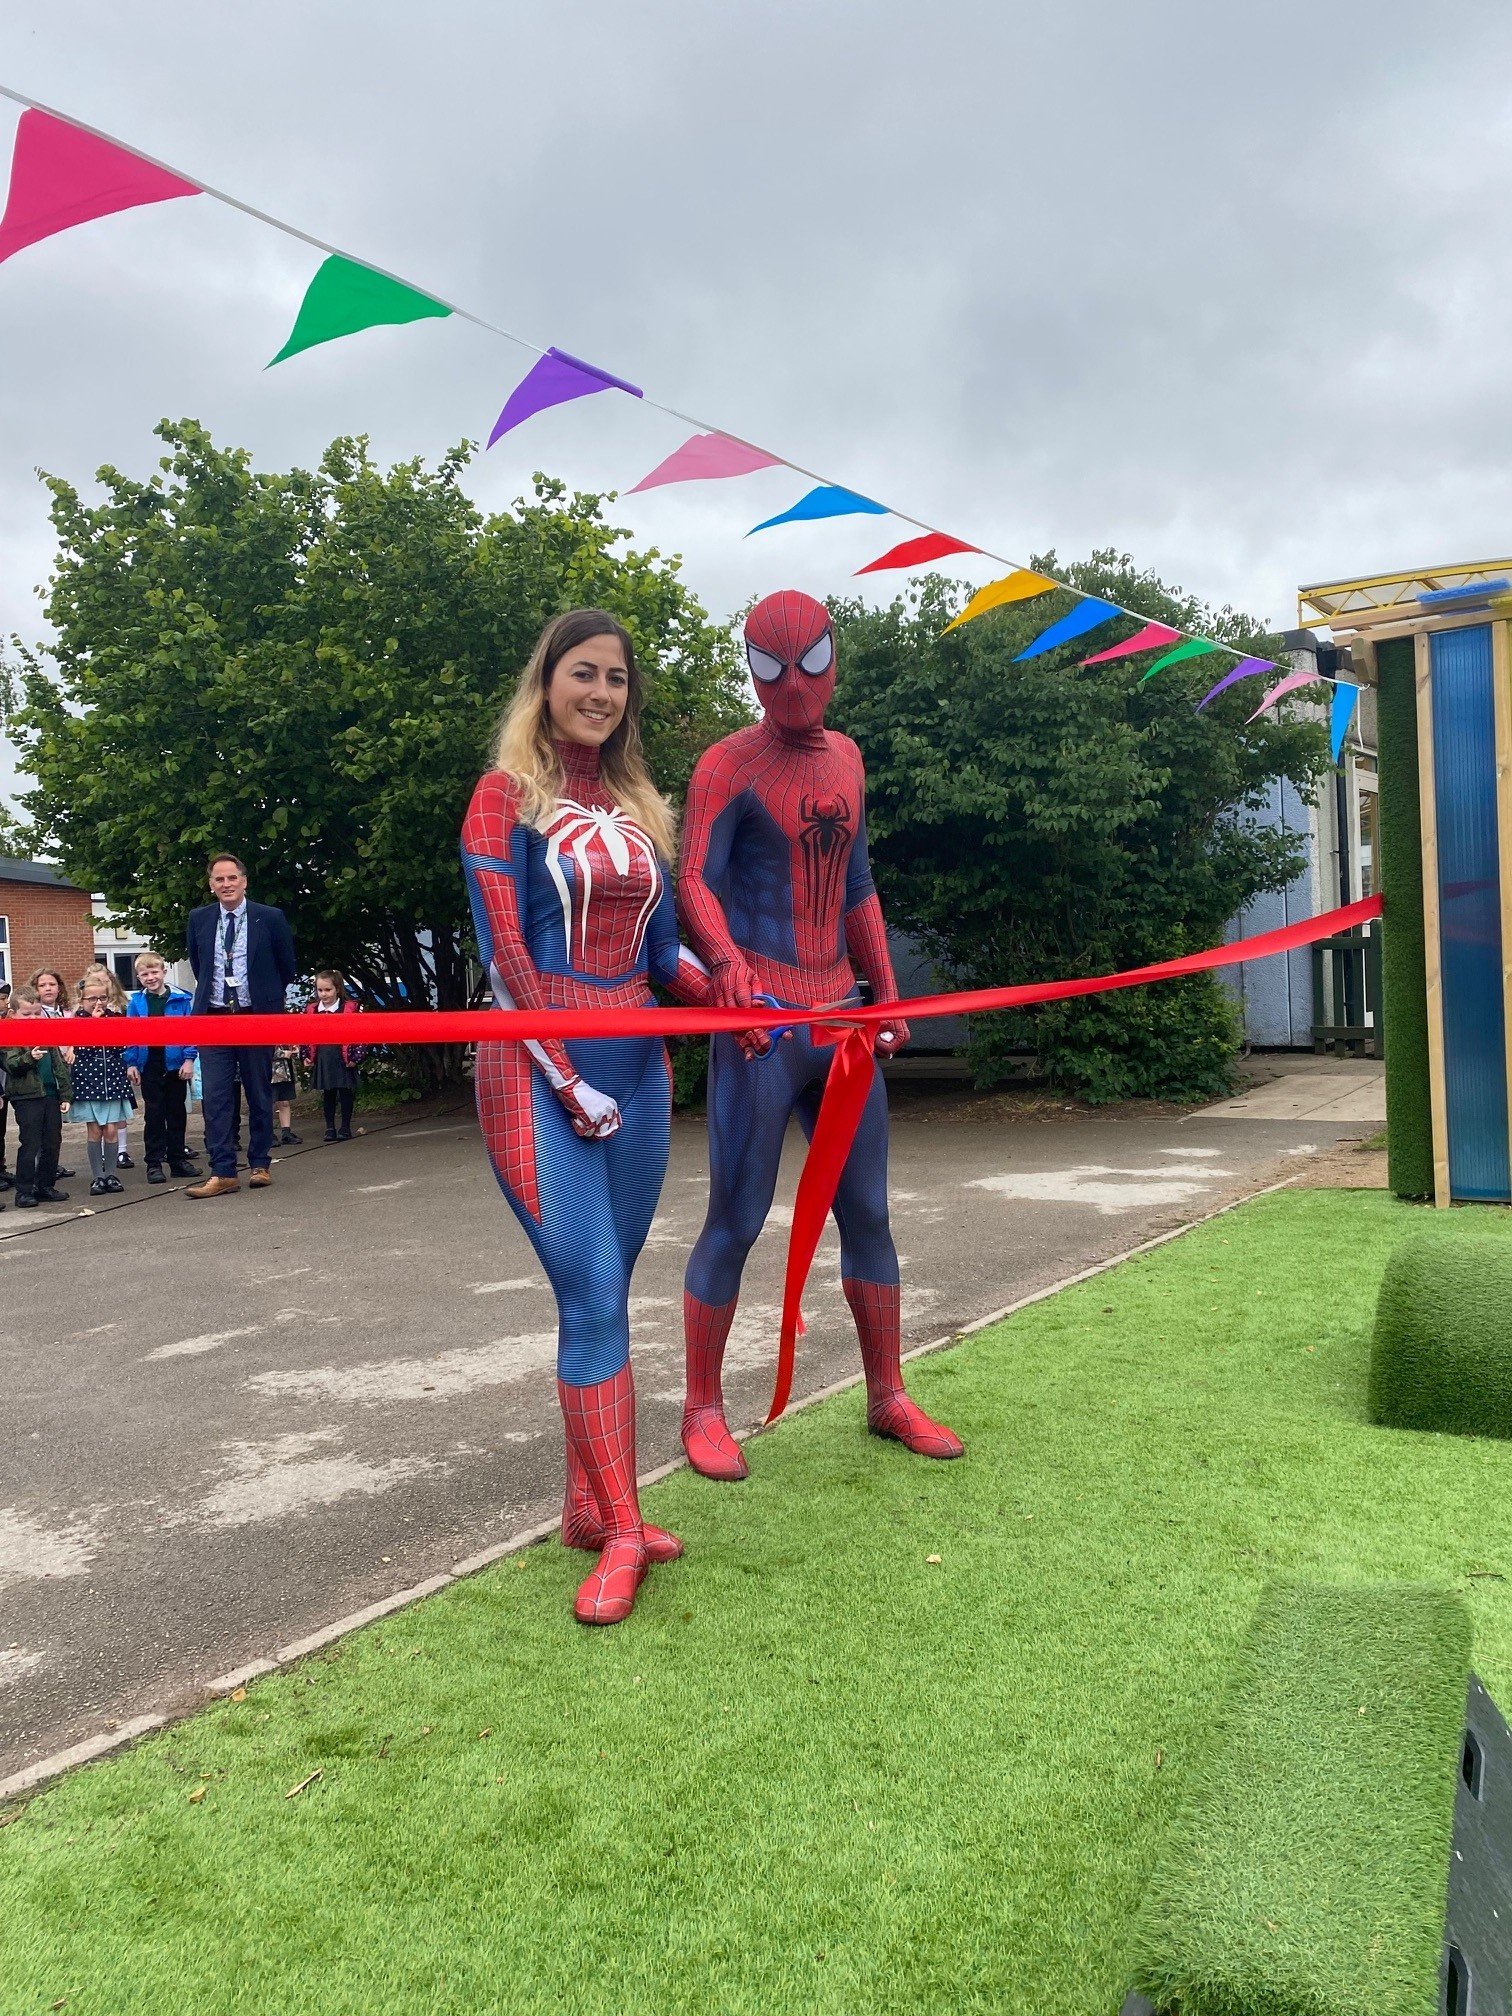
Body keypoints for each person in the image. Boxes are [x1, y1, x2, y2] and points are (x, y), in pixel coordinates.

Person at [461, 608, 721, 1626]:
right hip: (535, 1069)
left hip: (639, 1069)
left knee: (604, 1296)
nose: (601, 693)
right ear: (547, 681)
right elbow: (505, 958)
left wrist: (737, 1003)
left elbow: (664, 960)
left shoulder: (642, 807)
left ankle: (587, 1509)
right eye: (584, 673)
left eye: (617, 678)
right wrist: (566, 1079)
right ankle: (622, 1531)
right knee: (597, 1289)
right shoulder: (504, 797)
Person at [676, 588, 963, 1479]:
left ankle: (887, 1393)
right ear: (751, 668)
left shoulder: (847, 758)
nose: (794, 686)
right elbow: (694, 880)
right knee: (737, 1216)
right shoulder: (726, 765)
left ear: (835, 657)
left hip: (839, 1017)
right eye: (772, 668)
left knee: (868, 1210)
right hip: (763, 1024)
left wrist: (887, 993)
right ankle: (701, 1407)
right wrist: (726, 965)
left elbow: (858, 886)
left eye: (809, 663)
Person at [184, 854, 298, 1199]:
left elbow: (287, 966)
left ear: (244, 881)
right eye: (219, 879)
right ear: (211, 885)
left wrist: (265, 1000)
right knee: (216, 1097)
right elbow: (198, 963)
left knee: (259, 1091)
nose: (226, 884)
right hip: (213, 1017)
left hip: (255, 1016)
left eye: (232, 878)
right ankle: (223, 1171)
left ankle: (260, 1163)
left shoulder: (270, 917)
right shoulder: (200, 918)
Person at [124, 951, 201, 1183]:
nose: (150, 977)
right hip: (150, 1063)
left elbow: (190, 1032)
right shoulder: (136, 1003)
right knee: (154, 1115)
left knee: (177, 1114)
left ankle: (177, 1160)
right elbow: (131, 1034)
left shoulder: (181, 999)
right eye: (144, 974)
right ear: (139, 977)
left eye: (154, 972)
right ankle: (154, 1163)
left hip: (176, 1063)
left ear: (164, 972)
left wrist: (189, 1059)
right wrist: (131, 1062)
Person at [2, 984, 72, 1207]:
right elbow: (11, 1065)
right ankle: (23, 1191)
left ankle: (45, 1186)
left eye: (36, 1012)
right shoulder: (9, 1033)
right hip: (26, 1096)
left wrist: (65, 1094)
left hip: (50, 1094)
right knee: (30, 1144)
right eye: (26, 1014)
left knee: (52, 1142)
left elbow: (58, 1065)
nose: (33, 1018)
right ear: (13, 1013)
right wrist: (29, 1057)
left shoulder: (45, 1030)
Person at [70, 965, 133, 1195]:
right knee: (95, 1130)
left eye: (102, 998)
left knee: (112, 1130)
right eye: (92, 999)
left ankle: (112, 1175)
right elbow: (82, 1050)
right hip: (88, 1081)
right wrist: (94, 1024)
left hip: (113, 1079)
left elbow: (120, 1047)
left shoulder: (115, 1018)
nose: (98, 1003)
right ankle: (97, 1177)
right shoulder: (76, 1021)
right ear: (82, 1000)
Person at [300, 970, 363, 1140]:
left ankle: (345, 1127)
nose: (323, 994)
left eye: (328, 990)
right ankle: (329, 1128)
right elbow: (305, 1033)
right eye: (320, 990)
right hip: (323, 1055)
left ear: (337, 989)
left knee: (345, 1091)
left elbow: (360, 1033)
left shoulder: (349, 1009)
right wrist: (306, 1055)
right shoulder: (312, 1010)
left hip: (343, 1055)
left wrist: (355, 1057)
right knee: (328, 1093)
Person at [29, 968, 76, 1179]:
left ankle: (51, 1164)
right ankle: (42, 1168)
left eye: (52, 984)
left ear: (59, 987)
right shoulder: (35, 1014)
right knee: (41, 1126)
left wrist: (73, 1047)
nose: (48, 988)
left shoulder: (67, 1012)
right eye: (42, 985)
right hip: (44, 1072)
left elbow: (75, 1035)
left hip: (65, 1068)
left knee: (55, 1127)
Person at [271, 1041, 301, 1146]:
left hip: (286, 1071)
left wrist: (294, 1050)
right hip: (272, 1073)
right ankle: (268, 1133)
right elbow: (263, 1051)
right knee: (270, 1102)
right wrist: (282, 1054)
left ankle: (286, 1133)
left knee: (284, 1102)